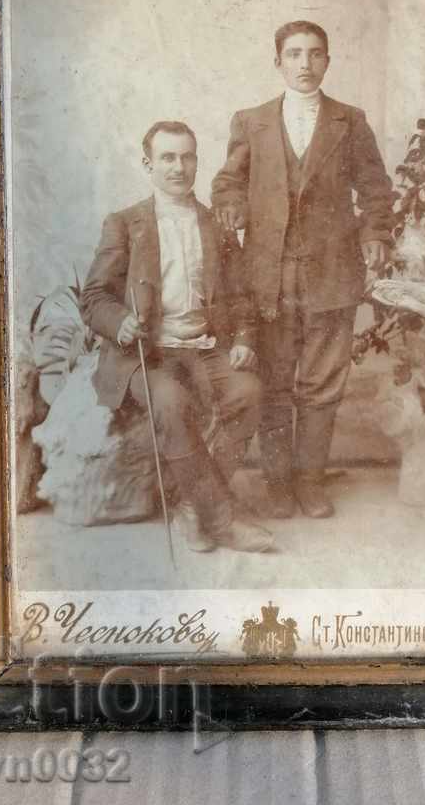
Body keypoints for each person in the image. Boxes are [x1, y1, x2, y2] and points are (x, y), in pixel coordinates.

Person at [212, 21, 394, 519]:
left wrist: (375, 234)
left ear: (328, 62)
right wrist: (231, 207)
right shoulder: (251, 122)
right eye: (294, 54)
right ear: (278, 63)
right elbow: (229, 182)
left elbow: (376, 188)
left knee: (321, 384)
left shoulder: (349, 121)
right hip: (267, 277)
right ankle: (276, 483)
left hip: (333, 275)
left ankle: (310, 483)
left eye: (315, 54)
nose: (305, 63)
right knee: (272, 383)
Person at [80, 120, 274, 553]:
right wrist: (120, 322)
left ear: (197, 163)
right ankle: (223, 520)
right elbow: (94, 297)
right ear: (149, 164)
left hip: (204, 348)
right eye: (167, 157)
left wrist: (243, 337)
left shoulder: (215, 225)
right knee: (171, 402)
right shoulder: (126, 224)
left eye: (187, 157)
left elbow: (242, 293)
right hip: (146, 353)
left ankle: (191, 506)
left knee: (249, 392)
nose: (178, 166)